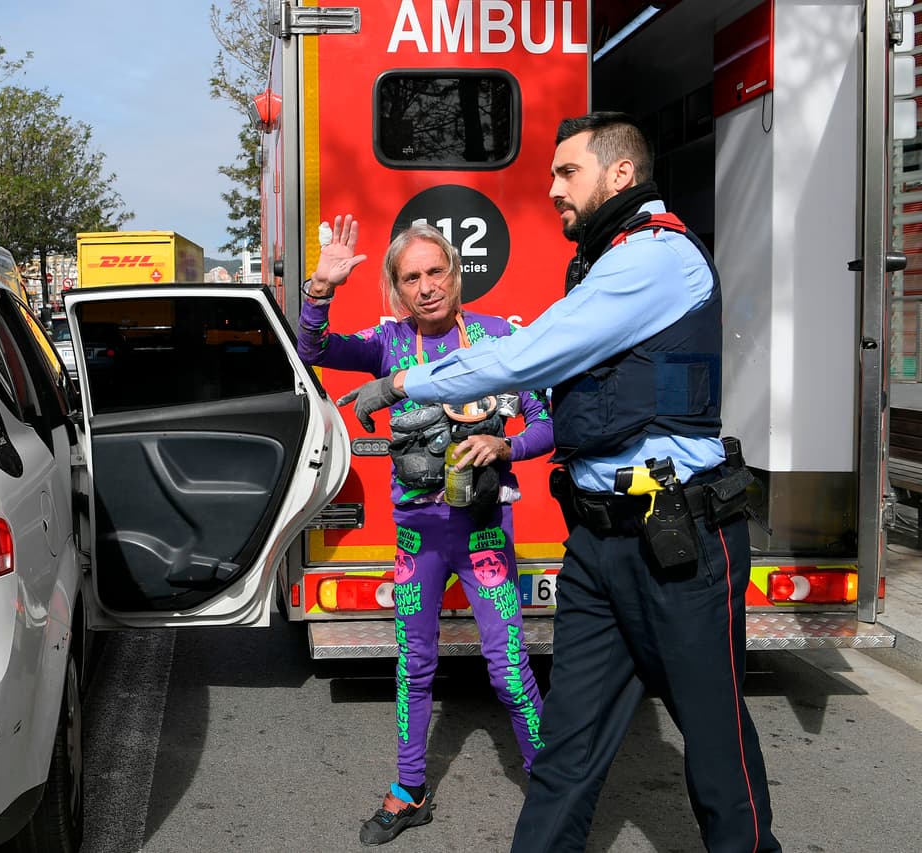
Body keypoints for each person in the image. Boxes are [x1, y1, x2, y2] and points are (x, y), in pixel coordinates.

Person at [336, 112, 782, 853]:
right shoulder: (604, 262)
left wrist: (404, 382)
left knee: (715, 749)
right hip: (601, 545)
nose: (550, 190)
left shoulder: (657, 256)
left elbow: (533, 355)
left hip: (679, 542)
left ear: (619, 174)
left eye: (565, 172)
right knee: (566, 754)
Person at [298, 216, 553, 846]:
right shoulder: (389, 343)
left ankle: (552, 784)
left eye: (435, 271)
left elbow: (551, 425)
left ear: (455, 274)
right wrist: (319, 290)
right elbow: (314, 353)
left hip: (485, 534)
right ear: (398, 289)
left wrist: (505, 445)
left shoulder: (501, 338)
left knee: (508, 667)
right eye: (411, 277)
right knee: (413, 665)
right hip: (418, 537)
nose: (426, 286)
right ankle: (410, 787)